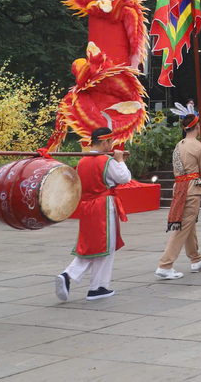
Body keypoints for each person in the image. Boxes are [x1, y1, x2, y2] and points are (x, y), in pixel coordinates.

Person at [56, 118, 129, 301]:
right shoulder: (106, 161)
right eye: (110, 142)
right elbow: (124, 177)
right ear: (105, 142)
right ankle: (96, 286)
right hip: (103, 207)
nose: (111, 145)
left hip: (87, 207)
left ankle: (74, 277)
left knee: (93, 246)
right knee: (106, 246)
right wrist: (119, 161)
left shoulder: (83, 161)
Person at [156, 105, 201, 280]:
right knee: (183, 227)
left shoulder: (178, 145)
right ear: (197, 127)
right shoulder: (199, 148)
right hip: (192, 189)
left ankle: (196, 259)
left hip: (179, 187)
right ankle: (165, 265)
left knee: (188, 224)